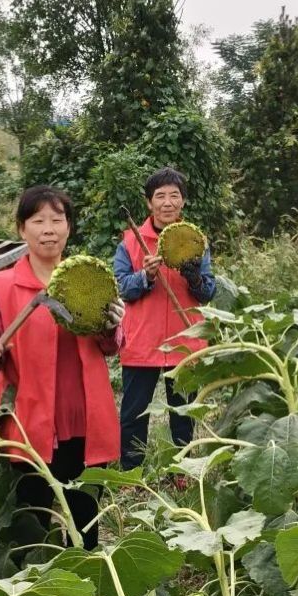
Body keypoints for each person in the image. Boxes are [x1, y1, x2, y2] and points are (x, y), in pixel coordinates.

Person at [0, 186, 123, 551]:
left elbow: (111, 346)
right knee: (32, 524)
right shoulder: (3, 287)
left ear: (69, 228)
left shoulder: (87, 281)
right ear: (22, 229)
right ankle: (33, 594)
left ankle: (85, 590)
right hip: (30, 424)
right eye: (38, 221)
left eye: (57, 220)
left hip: (84, 422)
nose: (49, 229)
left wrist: (112, 324)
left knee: (85, 521)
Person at [114, 166, 216, 470]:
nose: (167, 202)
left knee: (183, 414)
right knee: (134, 414)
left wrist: (194, 276)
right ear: (149, 203)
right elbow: (121, 287)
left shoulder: (195, 240)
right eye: (160, 196)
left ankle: (183, 472)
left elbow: (208, 292)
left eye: (174, 196)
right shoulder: (130, 242)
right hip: (141, 343)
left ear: (183, 202)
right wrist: (144, 276)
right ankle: (132, 473)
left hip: (185, 342)